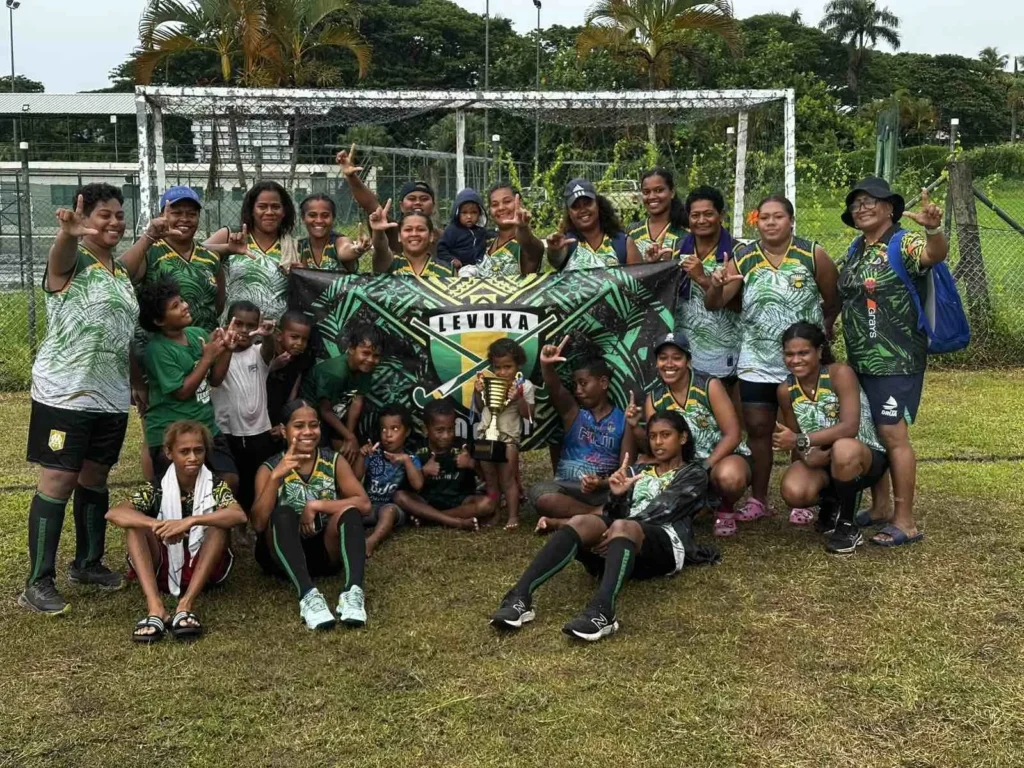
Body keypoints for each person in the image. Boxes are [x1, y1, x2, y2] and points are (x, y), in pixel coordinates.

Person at [21, 183, 148, 614]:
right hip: (65, 394)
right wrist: (67, 234)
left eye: (119, 215)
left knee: (94, 478)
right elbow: (59, 259)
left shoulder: (120, 274)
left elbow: (123, 335)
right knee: (59, 480)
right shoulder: (71, 261)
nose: (114, 222)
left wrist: (135, 382)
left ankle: (88, 564)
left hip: (109, 397)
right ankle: (38, 581)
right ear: (85, 218)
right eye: (104, 215)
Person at [489, 411, 713, 642]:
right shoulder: (638, 471)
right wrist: (617, 495)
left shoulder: (694, 474)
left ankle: (603, 613)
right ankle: (519, 597)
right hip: (622, 544)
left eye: (666, 435)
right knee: (581, 521)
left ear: (683, 437)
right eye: (653, 436)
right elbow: (614, 514)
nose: (658, 442)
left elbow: (664, 510)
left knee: (624, 526)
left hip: (665, 546)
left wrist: (616, 528)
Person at [704, 195, 839, 525]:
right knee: (759, 428)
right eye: (764, 217)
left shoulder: (812, 253)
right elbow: (714, 303)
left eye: (778, 216)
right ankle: (759, 498)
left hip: (802, 362)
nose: (771, 222)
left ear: (791, 221)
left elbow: (834, 297)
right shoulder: (743, 256)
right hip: (757, 360)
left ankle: (802, 496)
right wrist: (715, 285)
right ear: (757, 222)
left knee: (803, 426)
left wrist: (823, 330)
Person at [836, 177, 948, 547]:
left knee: (893, 435)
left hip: (896, 360)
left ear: (890, 209)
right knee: (870, 432)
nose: (862, 208)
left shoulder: (904, 242)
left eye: (871, 201)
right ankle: (881, 506)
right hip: (860, 360)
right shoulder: (856, 249)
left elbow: (933, 255)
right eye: (856, 203)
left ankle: (905, 521)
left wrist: (934, 230)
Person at [106, 421, 246, 643]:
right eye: (184, 451)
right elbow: (114, 513)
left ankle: (186, 605)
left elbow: (238, 515)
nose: (193, 457)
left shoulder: (215, 485)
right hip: (163, 563)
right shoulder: (159, 486)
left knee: (218, 525)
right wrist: (159, 525)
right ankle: (155, 608)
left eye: (198, 450)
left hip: (202, 564)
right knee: (135, 526)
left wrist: (190, 521)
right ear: (169, 453)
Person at [251, 399, 371, 630]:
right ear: (284, 431)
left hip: (325, 552)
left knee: (350, 511)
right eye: (299, 426)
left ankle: (353, 592)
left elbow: (364, 503)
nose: (307, 432)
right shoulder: (269, 468)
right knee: (282, 513)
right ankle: (308, 595)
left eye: (313, 425)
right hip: (282, 556)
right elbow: (257, 524)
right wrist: (276, 478)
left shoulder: (333, 460)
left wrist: (316, 505)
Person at [774, 322, 890, 555]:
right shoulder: (785, 390)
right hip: (823, 457)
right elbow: (794, 437)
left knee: (843, 449)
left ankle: (848, 526)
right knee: (794, 490)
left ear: (819, 351)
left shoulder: (839, 374)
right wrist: (807, 456)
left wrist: (801, 441)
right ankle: (831, 503)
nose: (795, 360)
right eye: (789, 354)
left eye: (803, 353)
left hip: (863, 455)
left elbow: (849, 427)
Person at [629, 332, 750, 538]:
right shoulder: (655, 399)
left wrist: (705, 466)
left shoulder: (709, 385)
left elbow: (733, 435)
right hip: (684, 466)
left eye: (677, 357)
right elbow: (655, 445)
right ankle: (696, 506)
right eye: (663, 358)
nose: (669, 364)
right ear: (657, 363)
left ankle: (725, 508)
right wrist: (634, 427)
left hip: (721, 458)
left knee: (729, 477)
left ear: (688, 361)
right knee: (644, 467)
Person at [139, 277, 240, 491]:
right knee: (180, 491)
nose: (185, 306)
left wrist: (227, 350)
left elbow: (215, 380)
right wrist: (207, 358)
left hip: (205, 427)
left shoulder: (197, 335)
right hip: (171, 430)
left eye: (182, 301)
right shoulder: (157, 350)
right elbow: (182, 392)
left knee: (229, 480)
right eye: (175, 306)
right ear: (159, 321)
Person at [527, 337, 632, 526]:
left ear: (603, 382)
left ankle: (567, 520)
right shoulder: (573, 413)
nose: (578, 390)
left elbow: (626, 470)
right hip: (568, 489)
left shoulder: (623, 420)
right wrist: (546, 365)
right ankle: (598, 514)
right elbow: (556, 389)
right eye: (575, 385)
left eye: (583, 383)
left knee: (630, 496)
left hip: (604, 491)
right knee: (540, 495)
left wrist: (600, 483)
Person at [210, 301, 282, 510]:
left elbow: (269, 350)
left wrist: (267, 336)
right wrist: (226, 347)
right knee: (232, 480)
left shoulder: (259, 352)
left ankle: (255, 517)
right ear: (227, 324)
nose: (244, 330)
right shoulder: (218, 353)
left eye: (251, 326)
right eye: (238, 324)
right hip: (227, 431)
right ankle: (231, 517)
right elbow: (215, 379)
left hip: (258, 431)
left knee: (256, 480)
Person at [674, 186, 742, 383]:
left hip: (723, 348)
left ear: (721, 215)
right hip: (683, 346)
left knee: (722, 398)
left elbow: (737, 304)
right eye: (695, 215)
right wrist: (655, 264)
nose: (701, 220)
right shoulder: (676, 248)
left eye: (708, 214)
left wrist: (702, 278)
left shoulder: (738, 252)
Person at [205, 181, 298, 322]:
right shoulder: (231, 235)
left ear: (284, 211)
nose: (269, 212)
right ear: (252, 210)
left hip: (274, 332)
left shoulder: (292, 247)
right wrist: (227, 249)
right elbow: (194, 252)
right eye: (262, 206)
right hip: (234, 329)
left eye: (275, 207)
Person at [395, 399, 493, 530]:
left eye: (450, 429)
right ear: (425, 429)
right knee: (399, 496)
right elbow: (406, 486)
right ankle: (454, 522)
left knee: (487, 503)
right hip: (426, 501)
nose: (446, 435)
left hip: (459, 501)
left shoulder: (463, 446)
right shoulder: (416, 450)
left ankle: (429, 519)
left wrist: (471, 464)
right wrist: (423, 472)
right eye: (440, 430)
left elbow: (487, 479)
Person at [474, 338, 536, 531]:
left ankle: (513, 515)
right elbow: (480, 407)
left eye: (507, 367)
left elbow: (528, 415)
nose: (502, 372)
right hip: (485, 436)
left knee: (507, 480)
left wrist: (519, 398)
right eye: (497, 367)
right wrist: (477, 393)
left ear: (518, 365)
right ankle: (495, 511)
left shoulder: (524, 386)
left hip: (508, 440)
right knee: (490, 480)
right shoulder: (488, 382)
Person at [335, 144, 443, 253]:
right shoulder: (390, 229)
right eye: (412, 198)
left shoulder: (443, 237)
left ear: (433, 207)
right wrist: (351, 177)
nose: (418, 202)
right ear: (401, 206)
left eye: (424, 199)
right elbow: (370, 204)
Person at [302, 322, 381, 466]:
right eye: (365, 353)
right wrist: (350, 437)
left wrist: (348, 436)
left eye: (376, 356)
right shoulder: (336, 373)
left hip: (335, 414)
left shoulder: (365, 368)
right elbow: (325, 411)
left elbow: (357, 401)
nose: (370, 360)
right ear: (351, 349)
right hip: (311, 413)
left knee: (349, 454)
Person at [354, 404, 424, 556]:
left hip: (392, 510)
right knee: (349, 508)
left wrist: (405, 461)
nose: (388, 434)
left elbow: (418, 485)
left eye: (395, 429)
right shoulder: (373, 453)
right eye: (384, 429)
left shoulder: (411, 458)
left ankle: (371, 541)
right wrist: (361, 456)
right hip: (369, 507)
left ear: (407, 432)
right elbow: (356, 478)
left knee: (389, 511)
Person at [545, 179, 628, 271]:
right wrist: (554, 252)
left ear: (598, 204)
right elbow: (556, 262)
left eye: (587, 203)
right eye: (575, 206)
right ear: (569, 212)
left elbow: (638, 276)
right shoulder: (567, 244)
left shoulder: (623, 243)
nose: (583, 210)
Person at [469, 183, 545, 277]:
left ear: (519, 203)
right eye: (495, 204)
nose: (501, 208)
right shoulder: (489, 242)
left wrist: (522, 227)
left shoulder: (525, 245)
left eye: (507, 201)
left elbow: (532, 246)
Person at [369, 202, 452, 278]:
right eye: (408, 230)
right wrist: (378, 231)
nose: (414, 234)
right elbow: (380, 248)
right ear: (399, 236)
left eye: (421, 229)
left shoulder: (447, 270)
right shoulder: (390, 263)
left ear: (431, 236)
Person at [265, 310, 315, 434]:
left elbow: (292, 395)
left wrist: (283, 423)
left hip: (278, 417)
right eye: (294, 337)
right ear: (279, 335)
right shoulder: (266, 352)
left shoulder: (302, 360)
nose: (300, 343)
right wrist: (272, 367)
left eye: (304, 339)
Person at [625, 167, 688, 264]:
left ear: (672, 193)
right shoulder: (633, 231)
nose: (652, 197)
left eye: (659, 190)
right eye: (646, 192)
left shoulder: (686, 231)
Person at [295, 193, 369, 272]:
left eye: (325, 215)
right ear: (303, 218)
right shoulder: (300, 247)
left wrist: (357, 249)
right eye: (312, 215)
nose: (319, 221)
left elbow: (346, 249)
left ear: (333, 218)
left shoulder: (339, 242)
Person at [436, 188, 488, 271]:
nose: (469, 216)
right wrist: (452, 260)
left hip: (481, 268)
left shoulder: (481, 231)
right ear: (457, 213)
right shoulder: (452, 230)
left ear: (480, 214)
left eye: (473, 212)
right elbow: (441, 249)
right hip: (460, 269)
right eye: (464, 212)